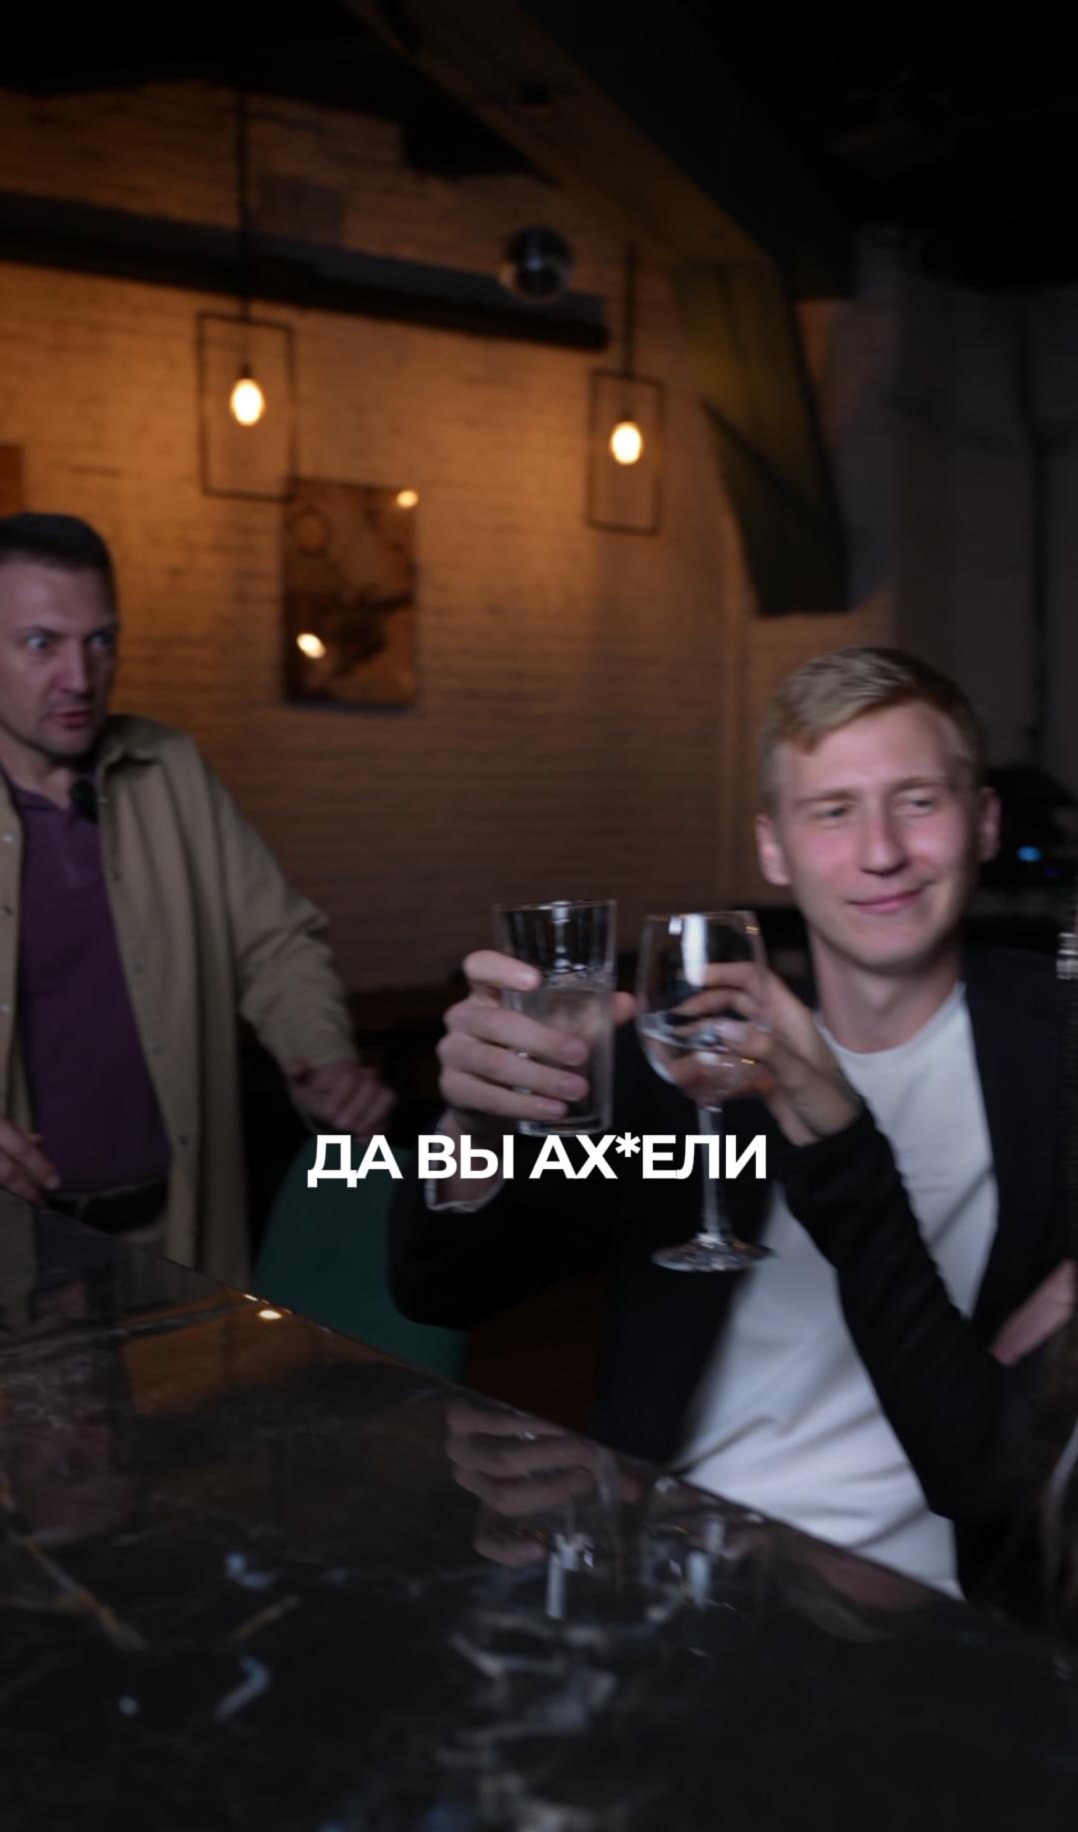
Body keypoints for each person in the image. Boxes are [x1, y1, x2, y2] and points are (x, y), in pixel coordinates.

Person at [390, 645, 1071, 1602]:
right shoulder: (682, 1058)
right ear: (772, 848)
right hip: (680, 1566)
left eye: (918, 800)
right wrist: (472, 1123)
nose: (880, 852)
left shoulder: (1055, 1037)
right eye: (831, 811)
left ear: (985, 821)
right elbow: (443, 1289)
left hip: (946, 1598)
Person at [0, 511, 392, 1284]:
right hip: (17, 1258)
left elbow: (275, 943)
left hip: (175, 1234)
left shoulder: (172, 768)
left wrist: (322, 1057)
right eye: (42, 643)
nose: (79, 678)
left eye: (101, 641)